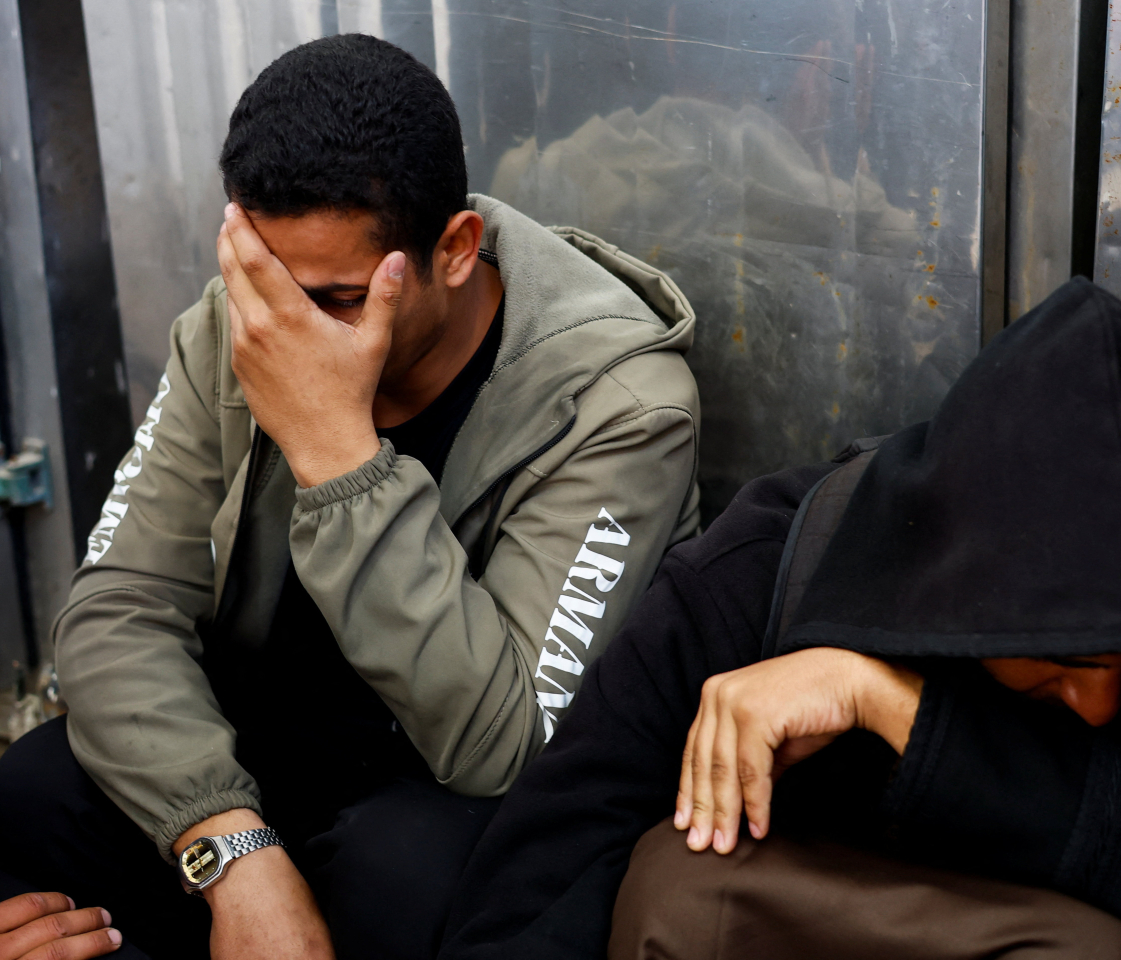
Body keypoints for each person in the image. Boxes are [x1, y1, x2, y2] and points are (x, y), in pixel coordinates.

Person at [0, 33, 701, 960]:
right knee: (39, 788)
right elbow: (115, 611)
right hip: (272, 771)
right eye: (265, 285)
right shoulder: (241, 319)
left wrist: (338, 452)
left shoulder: (620, 407)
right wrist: (233, 852)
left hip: (441, 795)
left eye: (335, 301)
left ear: (454, 251)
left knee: (405, 870)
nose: (287, 331)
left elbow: (507, 743)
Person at [439, 278, 1121, 960]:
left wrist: (893, 704)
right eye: (1059, 664)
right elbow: (542, 874)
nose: (1097, 706)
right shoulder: (771, 570)